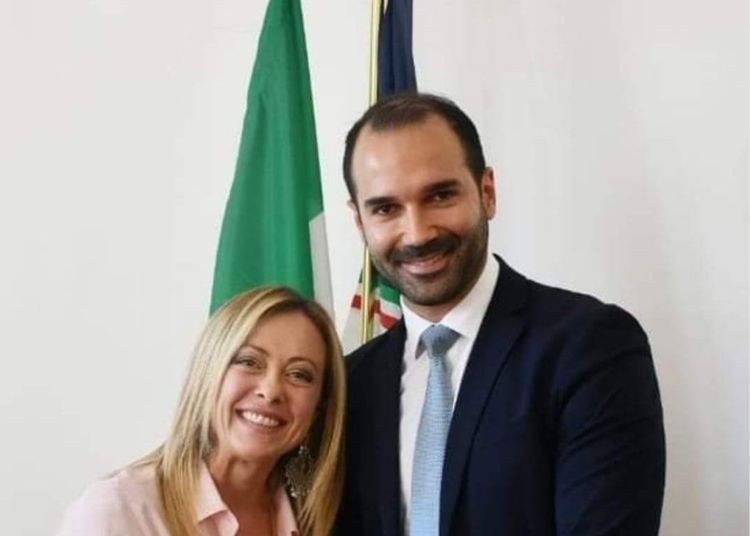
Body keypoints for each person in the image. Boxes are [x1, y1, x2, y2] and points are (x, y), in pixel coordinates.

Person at [337, 93, 665, 535]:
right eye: (385, 208)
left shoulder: (590, 346)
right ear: (359, 222)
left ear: (487, 193)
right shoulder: (350, 384)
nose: (416, 233)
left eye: (440, 195)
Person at [58, 286, 346, 536]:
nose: (271, 391)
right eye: (249, 362)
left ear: (319, 407)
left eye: (299, 375)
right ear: (208, 372)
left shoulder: (314, 520)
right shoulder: (119, 510)